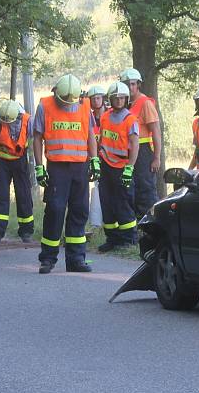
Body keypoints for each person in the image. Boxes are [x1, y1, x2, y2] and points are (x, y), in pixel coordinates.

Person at [33, 73, 99, 274]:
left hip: (80, 167)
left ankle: (76, 259)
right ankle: (48, 259)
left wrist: (94, 161)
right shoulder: (45, 106)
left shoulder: (85, 106)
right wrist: (38, 167)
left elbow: (90, 136)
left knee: (79, 211)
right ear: (55, 92)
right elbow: (37, 138)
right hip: (57, 168)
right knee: (55, 210)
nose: (68, 106)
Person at [97, 81, 139, 252]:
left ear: (126, 99)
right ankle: (112, 239)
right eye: (116, 98)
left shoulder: (131, 120)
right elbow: (101, 139)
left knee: (123, 203)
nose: (119, 101)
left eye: (122, 98)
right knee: (107, 202)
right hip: (106, 166)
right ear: (111, 100)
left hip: (122, 167)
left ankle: (129, 239)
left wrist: (130, 167)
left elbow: (135, 145)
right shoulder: (105, 116)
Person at [0, 99, 35, 243]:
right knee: (0, 195)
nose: (6, 124)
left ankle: (26, 231)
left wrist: (34, 162)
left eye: (9, 122)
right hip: (1, 161)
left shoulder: (27, 120)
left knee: (24, 195)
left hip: (20, 161)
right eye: (4, 122)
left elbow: (36, 139)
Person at [119, 68, 162, 217]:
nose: (130, 87)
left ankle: (149, 226)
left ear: (138, 85)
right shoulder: (124, 104)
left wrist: (156, 157)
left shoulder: (145, 103)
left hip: (143, 153)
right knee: (132, 190)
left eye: (133, 84)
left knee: (146, 191)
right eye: (127, 84)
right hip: (129, 152)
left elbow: (156, 131)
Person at [87, 84, 108, 230]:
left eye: (98, 98)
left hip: (110, 159)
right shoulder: (87, 117)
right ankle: (96, 223)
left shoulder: (111, 115)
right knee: (97, 190)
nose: (96, 101)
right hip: (93, 160)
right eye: (93, 99)